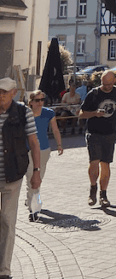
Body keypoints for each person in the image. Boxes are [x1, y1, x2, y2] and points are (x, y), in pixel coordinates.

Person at [0, 78, 41, 279]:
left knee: (7, 221)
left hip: (13, 175)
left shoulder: (23, 113)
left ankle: (3, 270)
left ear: (14, 92)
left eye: (5, 92)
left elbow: (34, 144)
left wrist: (36, 172)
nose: (1, 96)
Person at [78, 71, 116, 207]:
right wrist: (95, 113)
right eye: (104, 84)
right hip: (94, 132)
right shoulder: (94, 94)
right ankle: (92, 189)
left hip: (110, 133)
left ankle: (103, 195)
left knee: (105, 164)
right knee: (94, 162)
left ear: (114, 81)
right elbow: (81, 114)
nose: (107, 87)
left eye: (109, 84)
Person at [24, 90, 63, 221]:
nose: (40, 103)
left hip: (43, 150)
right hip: (27, 150)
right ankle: (33, 209)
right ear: (31, 102)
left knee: (37, 179)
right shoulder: (24, 114)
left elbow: (55, 129)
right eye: (37, 100)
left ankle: (32, 202)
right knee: (31, 178)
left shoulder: (48, 113)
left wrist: (59, 145)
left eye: (42, 100)